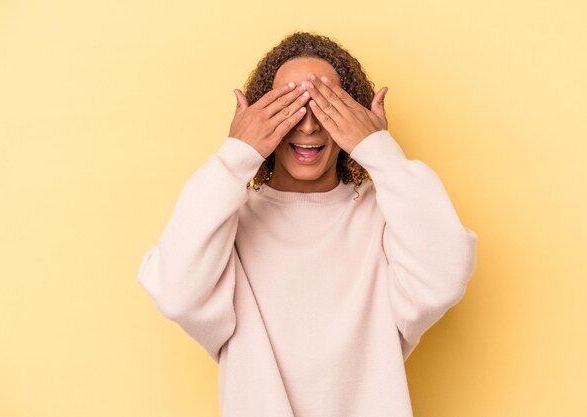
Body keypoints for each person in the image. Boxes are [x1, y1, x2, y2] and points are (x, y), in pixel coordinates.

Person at [137, 31, 478, 417]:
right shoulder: (227, 221)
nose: (309, 126)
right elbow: (176, 292)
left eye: (326, 105)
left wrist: (380, 152)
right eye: (289, 106)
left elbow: (445, 276)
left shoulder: (386, 216)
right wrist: (236, 156)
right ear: (256, 115)